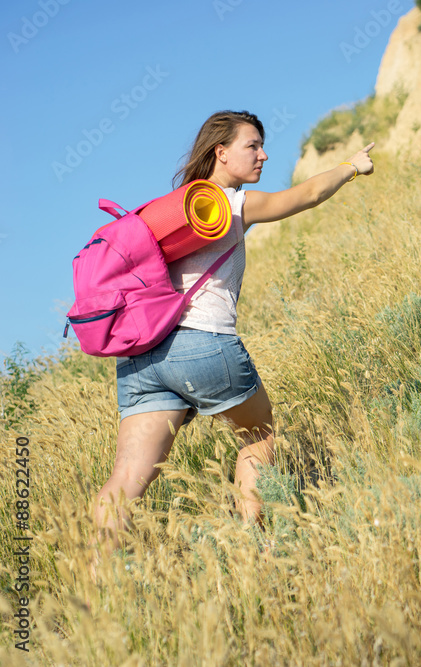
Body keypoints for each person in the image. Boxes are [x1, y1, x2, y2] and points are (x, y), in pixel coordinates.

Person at [91, 110, 374, 556]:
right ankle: (256, 548)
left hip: (141, 359)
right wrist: (351, 167)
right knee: (258, 434)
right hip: (202, 343)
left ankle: (95, 579)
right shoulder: (227, 203)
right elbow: (310, 193)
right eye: (252, 145)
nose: (263, 155)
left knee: (125, 480)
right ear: (221, 153)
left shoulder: (172, 214)